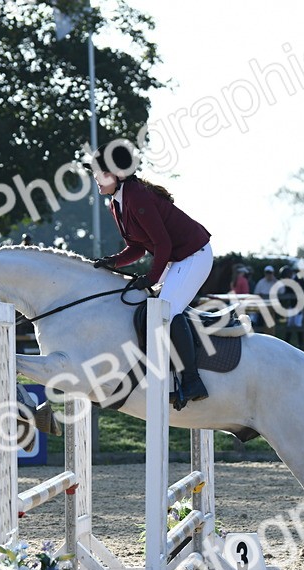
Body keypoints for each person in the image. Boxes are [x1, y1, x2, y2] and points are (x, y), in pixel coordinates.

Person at [87, 140, 213, 407]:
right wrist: (114, 262)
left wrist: (151, 278)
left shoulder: (137, 196)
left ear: (117, 174)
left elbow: (162, 243)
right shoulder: (116, 204)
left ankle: (192, 381)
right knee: (151, 310)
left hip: (194, 254)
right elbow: (137, 247)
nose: (96, 177)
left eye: (101, 172)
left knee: (165, 310)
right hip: (176, 258)